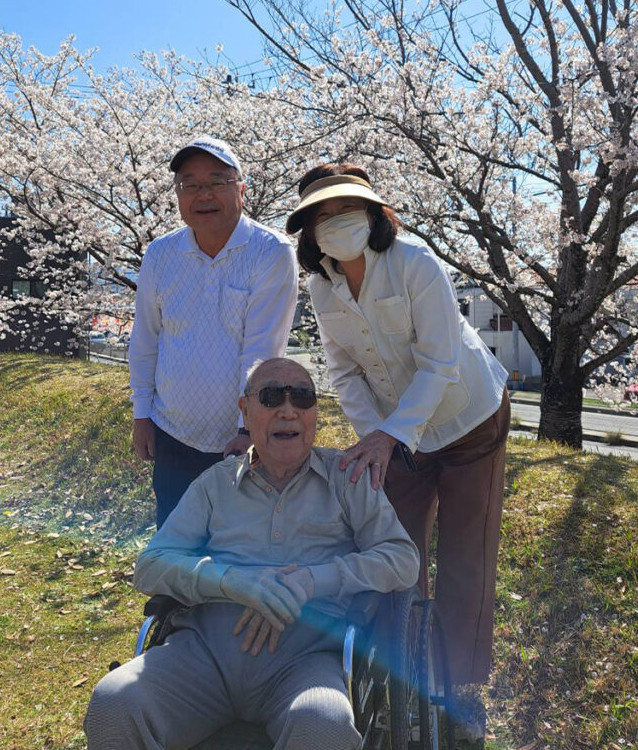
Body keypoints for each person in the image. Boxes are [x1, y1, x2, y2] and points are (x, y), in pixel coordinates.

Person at [85, 357, 419, 750]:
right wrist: (233, 582)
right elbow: (151, 566)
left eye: (303, 397)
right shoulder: (215, 485)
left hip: (305, 661)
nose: (288, 410)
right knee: (114, 704)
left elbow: (402, 559)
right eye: (272, 396)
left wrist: (312, 581)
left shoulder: (347, 479)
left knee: (324, 726)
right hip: (203, 656)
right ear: (245, 411)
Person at [286, 164, 510, 743]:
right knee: (392, 547)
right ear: (310, 233)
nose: (337, 223)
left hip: (469, 419)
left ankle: (457, 690)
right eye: (323, 216)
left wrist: (392, 433)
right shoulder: (320, 286)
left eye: (347, 210)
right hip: (395, 430)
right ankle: (401, 668)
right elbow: (342, 367)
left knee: (466, 549)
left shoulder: (415, 263)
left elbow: (441, 363)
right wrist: (375, 437)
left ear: (373, 212)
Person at [129, 135, 298, 526]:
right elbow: (146, 338)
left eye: (217, 182)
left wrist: (248, 427)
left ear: (241, 189)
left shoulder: (270, 252)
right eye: (190, 184)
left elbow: (263, 349)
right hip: (172, 429)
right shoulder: (160, 254)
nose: (203, 194)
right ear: (177, 194)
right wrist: (142, 414)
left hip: (238, 439)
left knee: (237, 547)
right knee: (176, 542)